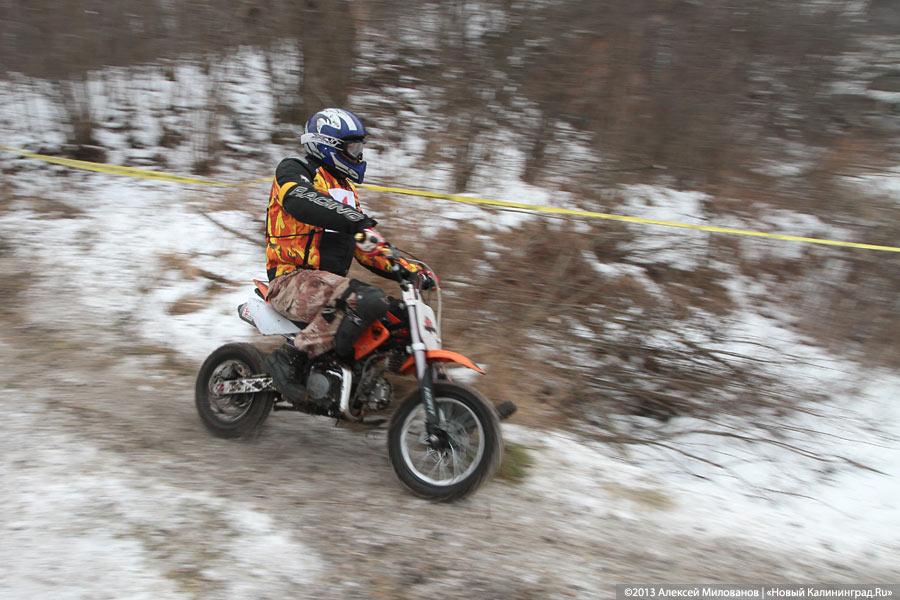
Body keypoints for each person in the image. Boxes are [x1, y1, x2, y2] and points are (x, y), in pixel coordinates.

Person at [262, 108, 431, 403]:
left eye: (359, 147)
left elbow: (364, 246)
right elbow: (300, 199)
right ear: (328, 145)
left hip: (328, 285)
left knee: (399, 315)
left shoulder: (346, 190)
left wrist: (406, 268)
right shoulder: (295, 169)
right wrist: (355, 220)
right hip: (289, 280)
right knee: (367, 299)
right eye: (353, 147)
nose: (358, 154)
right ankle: (291, 359)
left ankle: (412, 391)